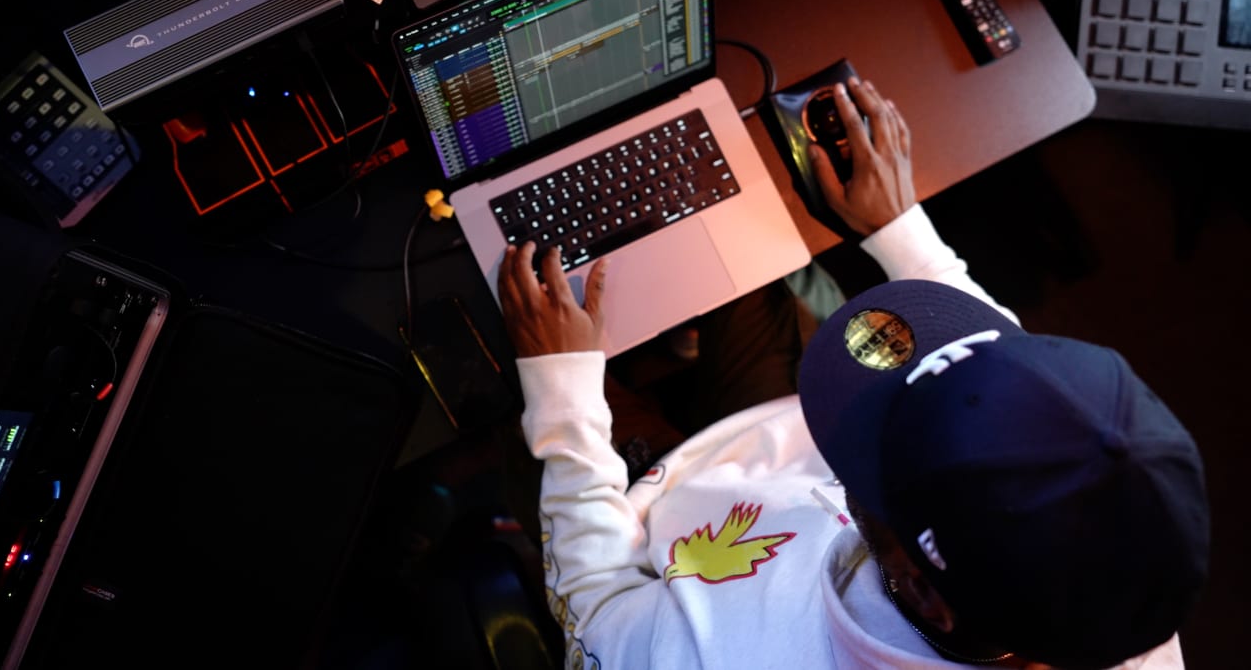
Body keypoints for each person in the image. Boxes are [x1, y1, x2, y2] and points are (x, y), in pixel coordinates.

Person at [496, 77, 1210, 669]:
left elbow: (597, 601)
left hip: (659, 502)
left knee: (501, 350)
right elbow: (1002, 361)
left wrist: (563, 397)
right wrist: (904, 232)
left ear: (927, 596)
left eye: (877, 456)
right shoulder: (1124, 601)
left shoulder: (705, 657)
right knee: (731, 235)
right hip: (770, 444)